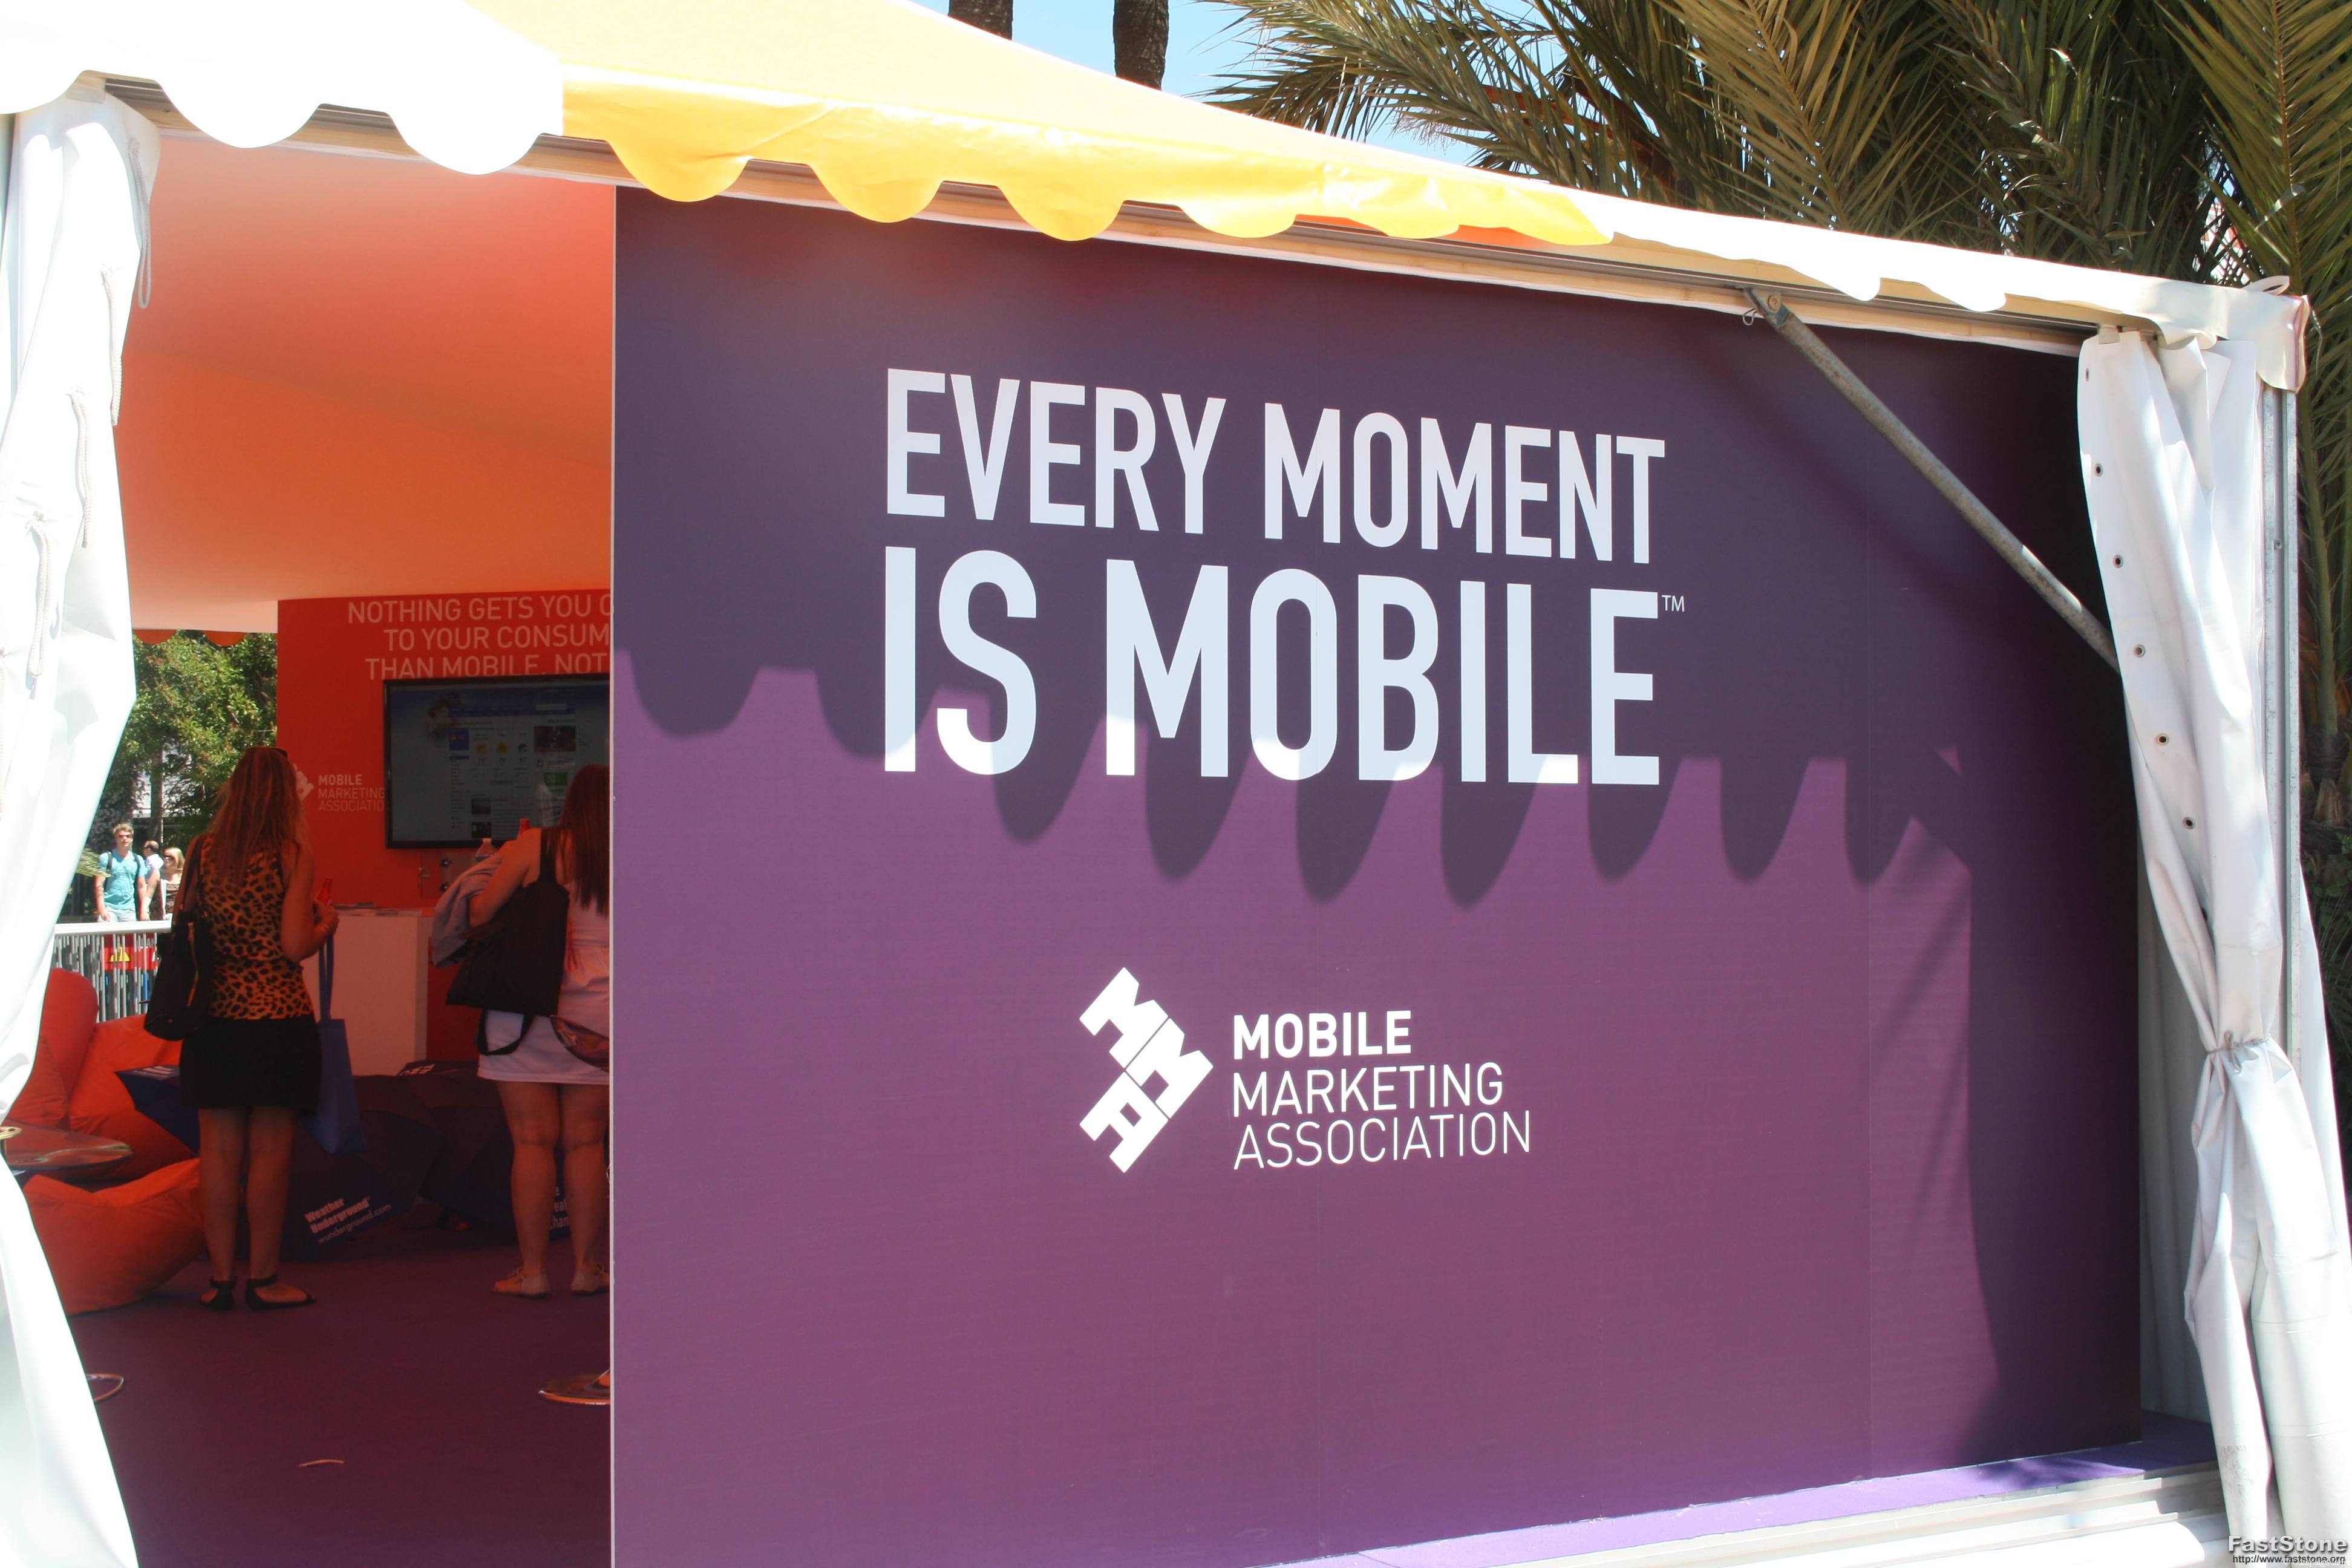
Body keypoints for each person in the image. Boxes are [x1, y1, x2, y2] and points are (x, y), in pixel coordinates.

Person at [180, 747, 339, 1311]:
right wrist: (325, 924)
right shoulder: (292, 855)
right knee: (270, 1154)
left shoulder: (202, 852)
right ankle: (265, 1279)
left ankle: (220, 1280)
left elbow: (186, 925)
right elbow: (293, 946)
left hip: (213, 1022)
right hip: (277, 1021)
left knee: (218, 1154)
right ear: (285, 796)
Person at [469, 765, 609, 1299]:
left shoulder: (535, 845)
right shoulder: (636, 849)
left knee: (531, 1141)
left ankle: (532, 1272)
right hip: (602, 1008)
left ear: (568, 802)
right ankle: (587, 1268)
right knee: (587, 1142)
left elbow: (481, 913)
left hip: (527, 1003)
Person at [93, 824, 142, 923]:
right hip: (109, 907)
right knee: (107, 933)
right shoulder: (106, 858)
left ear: (132, 839)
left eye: (128, 836)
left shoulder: (138, 859)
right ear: (116, 838)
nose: (125, 839)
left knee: (130, 934)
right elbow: (99, 884)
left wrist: (144, 910)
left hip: (129, 909)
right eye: (121, 836)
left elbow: (142, 886)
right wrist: (101, 907)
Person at [139, 840, 164, 919]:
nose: (143, 850)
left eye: (144, 848)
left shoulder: (151, 860)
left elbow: (154, 873)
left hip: (151, 891)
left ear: (148, 849)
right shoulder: (159, 859)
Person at [160, 846, 185, 916]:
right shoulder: (158, 874)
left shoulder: (185, 875)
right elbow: (148, 896)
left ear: (178, 858)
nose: (166, 859)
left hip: (181, 914)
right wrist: (144, 911)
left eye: (170, 857)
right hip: (162, 915)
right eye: (165, 856)